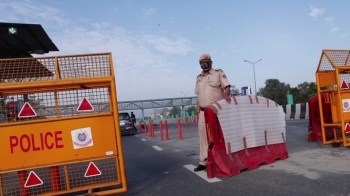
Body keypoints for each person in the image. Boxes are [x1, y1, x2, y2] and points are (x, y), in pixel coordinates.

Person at [194, 54, 231, 172]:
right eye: (202, 62)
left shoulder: (218, 73)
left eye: (206, 61)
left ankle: (223, 159)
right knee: (203, 137)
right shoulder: (199, 78)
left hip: (216, 110)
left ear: (211, 62)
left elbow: (227, 86)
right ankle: (203, 161)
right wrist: (197, 109)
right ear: (200, 64)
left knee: (219, 135)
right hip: (203, 112)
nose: (204, 63)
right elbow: (199, 95)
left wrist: (226, 96)